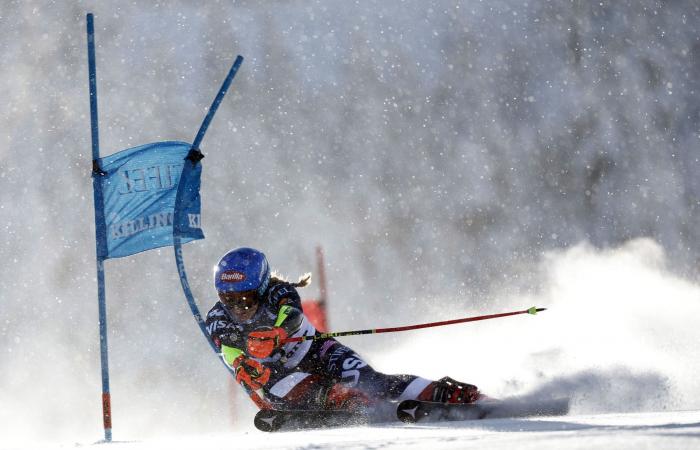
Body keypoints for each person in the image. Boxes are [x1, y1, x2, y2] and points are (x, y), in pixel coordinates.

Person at [205, 247, 482, 412]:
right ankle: (346, 402)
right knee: (300, 389)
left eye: (246, 297)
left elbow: (291, 313)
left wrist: (277, 334)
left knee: (372, 381)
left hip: (318, 351)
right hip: (277, 372)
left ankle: (440, 393)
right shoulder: (218, 316)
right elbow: (226, 345)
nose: (238, 306)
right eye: (227, 298)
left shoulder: (279, 292)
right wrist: (241, 362)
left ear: (263, 286)